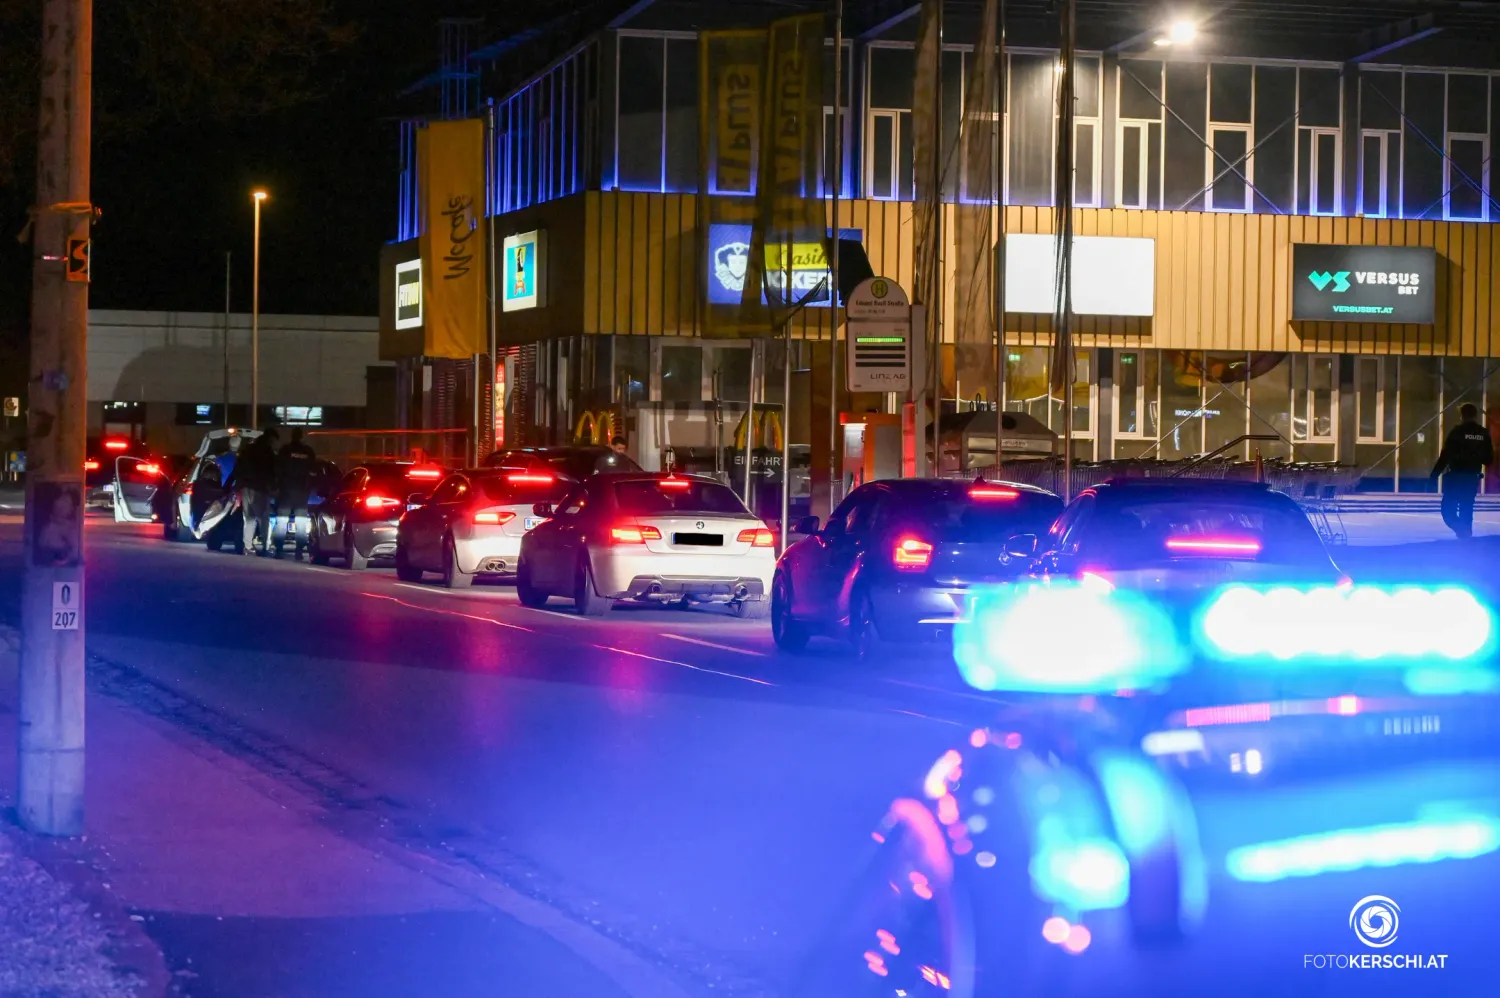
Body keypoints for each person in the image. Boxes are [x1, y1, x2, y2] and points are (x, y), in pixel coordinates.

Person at [1431, 402, 1493, 539]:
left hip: (1456, 477)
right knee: (1467, 508)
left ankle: (1462, 531)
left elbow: (1445, 456)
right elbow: (1489, 459)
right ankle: (1466, 539)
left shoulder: (1457, 432)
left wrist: (1434, 475)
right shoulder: (1483, 433)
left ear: (1462, 415)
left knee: (1448, 510)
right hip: (1472, 477)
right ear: (1475, 415)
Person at [273, 428, 318, 559]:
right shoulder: (308, 452)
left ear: (292, 436)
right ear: (302, 437)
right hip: (302, 492)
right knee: (301, 521)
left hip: (286, 490)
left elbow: (277, 469)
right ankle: (299, 550)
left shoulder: (285, 450)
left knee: (282, 520)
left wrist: (277, 486)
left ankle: (279, 549)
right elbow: (314, 471)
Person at [235, 428, 279, 555]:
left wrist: (238, 487)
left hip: (246, 488)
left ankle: (247, 546)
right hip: (260, 487)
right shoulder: (267, 452)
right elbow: (271, 471)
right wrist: (274, 487)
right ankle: (266, 545)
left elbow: (239, 468)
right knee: (263, 518)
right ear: (271, 439)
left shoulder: (248, 449)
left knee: (249, 518)